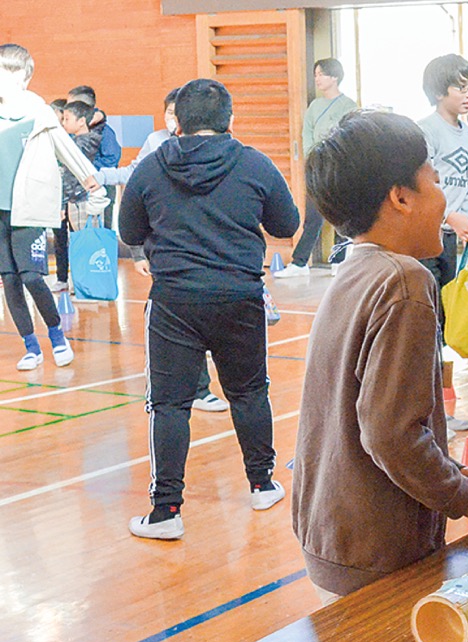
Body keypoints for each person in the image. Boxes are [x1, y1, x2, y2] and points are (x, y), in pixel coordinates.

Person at [295, 110, 468, 604]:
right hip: (378, 547)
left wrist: (453, 473)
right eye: (434, 181)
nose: (443, 199)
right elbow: (389, 433)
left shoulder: (354, 271)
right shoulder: (405, 280)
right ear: (400, 197)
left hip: (334, 535)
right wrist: (461, 496)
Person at [120, 78, 300, 540]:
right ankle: (262, 484)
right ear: (230, 120)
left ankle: (166, 511)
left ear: (176, 122)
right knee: (249, 392)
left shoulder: (151, 166)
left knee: (169, 404)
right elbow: (287, 224)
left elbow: (129, 231)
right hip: (239, 297)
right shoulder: (254, 163)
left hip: (174, 300)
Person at [90, 86, 228, 413]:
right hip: (167, 249)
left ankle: (198, 383)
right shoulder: (156, 143)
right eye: (167, 112)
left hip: (207, 248)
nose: (171, 118)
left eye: (175, 112)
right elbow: (133, 179)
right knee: (178, 320)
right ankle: (193, 389)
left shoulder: (221, 148)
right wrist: (99, 176)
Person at [0, 43, 100, 371]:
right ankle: (31, 346)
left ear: (23, 78)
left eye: (4, 74)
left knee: (31, 276)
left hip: (27, 209)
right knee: (9, 279)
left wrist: (92, 181)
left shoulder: (40, 114)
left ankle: (57, 336)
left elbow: (67, 151)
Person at [418, 53, 468, 434]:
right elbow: (422, 188)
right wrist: (448, 218)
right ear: (440, 91)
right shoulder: (425, 131)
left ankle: (440, 411)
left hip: (456, 242)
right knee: (428, 330)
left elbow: (466, 188)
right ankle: (424, 413)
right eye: (460, 87)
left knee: (444, 329)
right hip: (430, 242)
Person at [273, 58, 358, 278]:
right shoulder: (315, 106)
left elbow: (352, 136)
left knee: (341, 215)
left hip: (340, 167)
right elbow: (307, 133)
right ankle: (300, 263)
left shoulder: (349, 105)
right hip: (317, 167)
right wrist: (312, 158)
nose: (317, 79)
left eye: (322, 74)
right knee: (313, 216)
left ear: (335, 77)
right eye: (316, 75)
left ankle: (339, 261)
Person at [52, 100, 104, 293]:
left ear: (82, 121)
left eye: (67, 119)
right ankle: (79, 282)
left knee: (85, 241)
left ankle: (88, 283)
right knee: (77, 242)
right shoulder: (75, 141)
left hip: (83, 199)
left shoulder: (86, 141)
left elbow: (70, 173)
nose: (63, 123)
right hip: (72, 200)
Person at [67, 85, 120, 229]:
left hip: (100, 190)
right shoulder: (71, 131)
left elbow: (112, 160)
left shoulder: (105, 131)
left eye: (71, 104)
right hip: (77, 192)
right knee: (78, 233)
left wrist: (86, 169)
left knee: (101, 231)